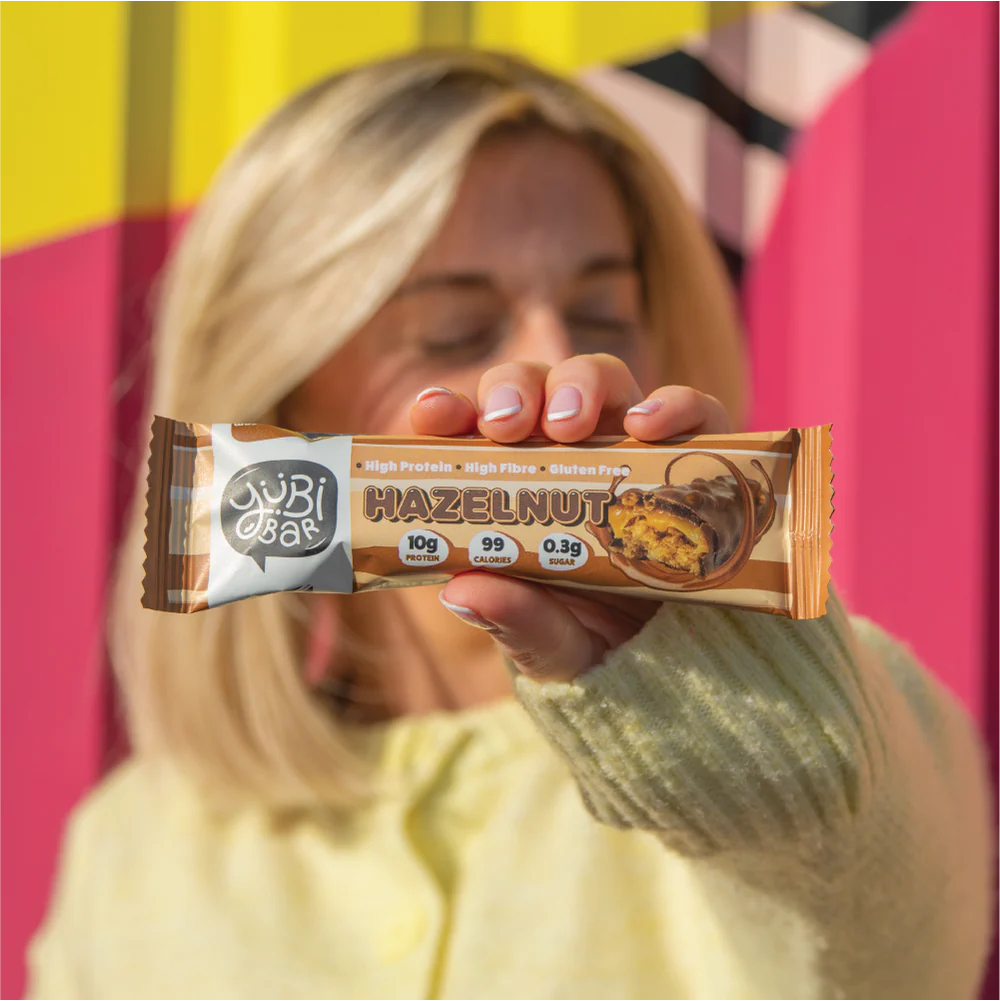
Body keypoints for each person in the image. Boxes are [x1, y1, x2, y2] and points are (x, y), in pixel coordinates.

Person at [24, 47, 993, 1001]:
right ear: (282, 394)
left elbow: (871, 902)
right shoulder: (135, 852)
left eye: (604, 313)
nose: (552, 364)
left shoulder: (833, 726)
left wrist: (728, 682)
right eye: (453, 331)